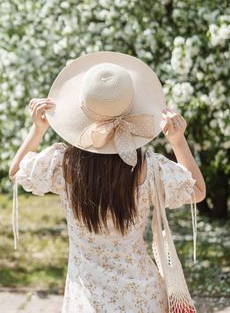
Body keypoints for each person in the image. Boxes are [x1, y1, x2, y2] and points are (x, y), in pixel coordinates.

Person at [9, 51, 206, 313]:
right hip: (142, 298)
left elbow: (16, 172)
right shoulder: (150, 168)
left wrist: (38, 129)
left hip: (87, 301)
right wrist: (178, 140)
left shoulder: (62, 165)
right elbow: (198, 191)